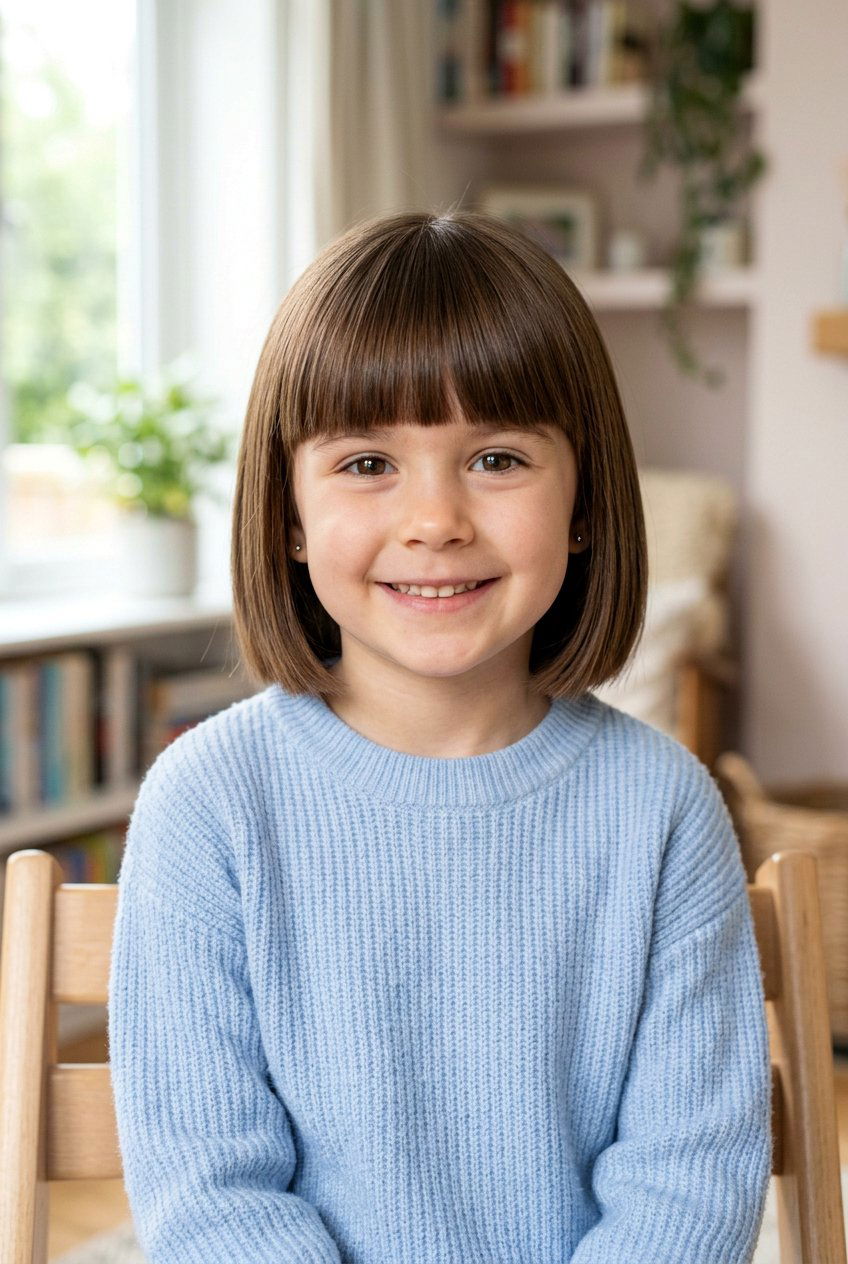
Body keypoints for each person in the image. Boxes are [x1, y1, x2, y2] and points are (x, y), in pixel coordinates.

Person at [107, 209, 771, 1263]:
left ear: (584, 498)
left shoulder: (662, 808)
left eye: (496, 458)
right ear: (286, 511)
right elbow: (210, 1196)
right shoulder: (207, 801)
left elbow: (686, 1185)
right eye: (367, 463)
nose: (434, 519)